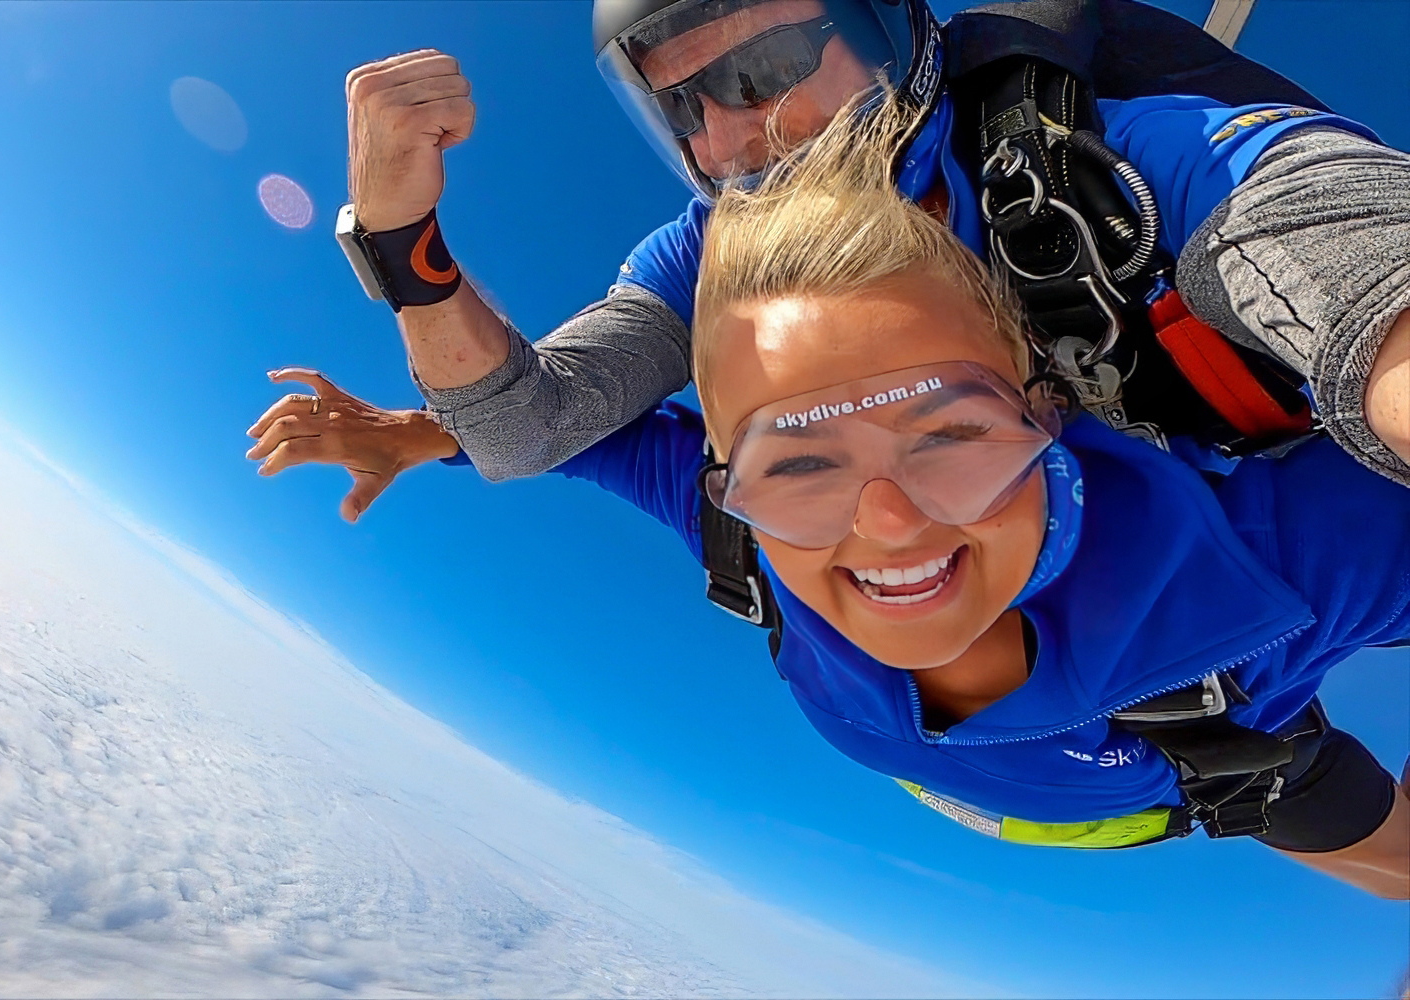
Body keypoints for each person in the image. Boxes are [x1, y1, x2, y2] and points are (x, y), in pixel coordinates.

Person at [253, 96, 1409, 897]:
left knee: (1346, 831)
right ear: (727, 477)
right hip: (1092, 787)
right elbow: (545, 438)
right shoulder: (736, 522)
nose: (890, 522)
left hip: (1229, 778)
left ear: (1048, 405)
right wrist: (412, 431)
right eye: (799, 462)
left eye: (946, 431)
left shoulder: (1285, 552)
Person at [315, 0, 1408, 526]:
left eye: (768, 66)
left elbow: (1329, 233)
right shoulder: (712, 252)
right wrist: (404, 246)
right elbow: (522, 427)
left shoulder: (1101, 162)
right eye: (681, 105)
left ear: (890, 28)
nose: (732, 140)